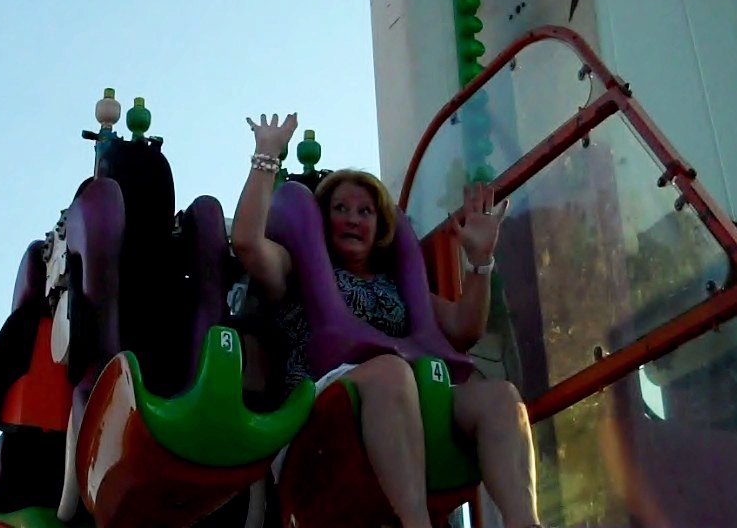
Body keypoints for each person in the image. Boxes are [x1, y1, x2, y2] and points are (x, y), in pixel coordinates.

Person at [231, 113, 543, 528]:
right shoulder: (296, 271)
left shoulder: (396, 288)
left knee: (500, 398)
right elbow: (247, 243)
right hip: (321, 408)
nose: (353, 219)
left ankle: (525, 522)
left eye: (365, 211)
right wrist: (267, 155)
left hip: (409, 400)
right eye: (340, 209)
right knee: (391, 372)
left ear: (379, 226)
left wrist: (479, 262)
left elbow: (464, 328)